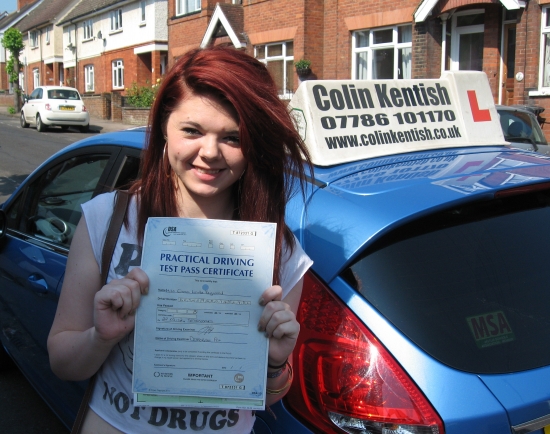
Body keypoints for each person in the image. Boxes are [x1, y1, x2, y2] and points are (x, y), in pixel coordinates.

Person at [47, 45, 313, 433]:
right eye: (192, 130)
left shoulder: (279, 251)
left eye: (233, 138)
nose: (209, 153)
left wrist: (273, 363)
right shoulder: (107, 218)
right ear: (163, 129)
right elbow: (62, 362)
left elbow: (268, 395)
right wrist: (100, 337)